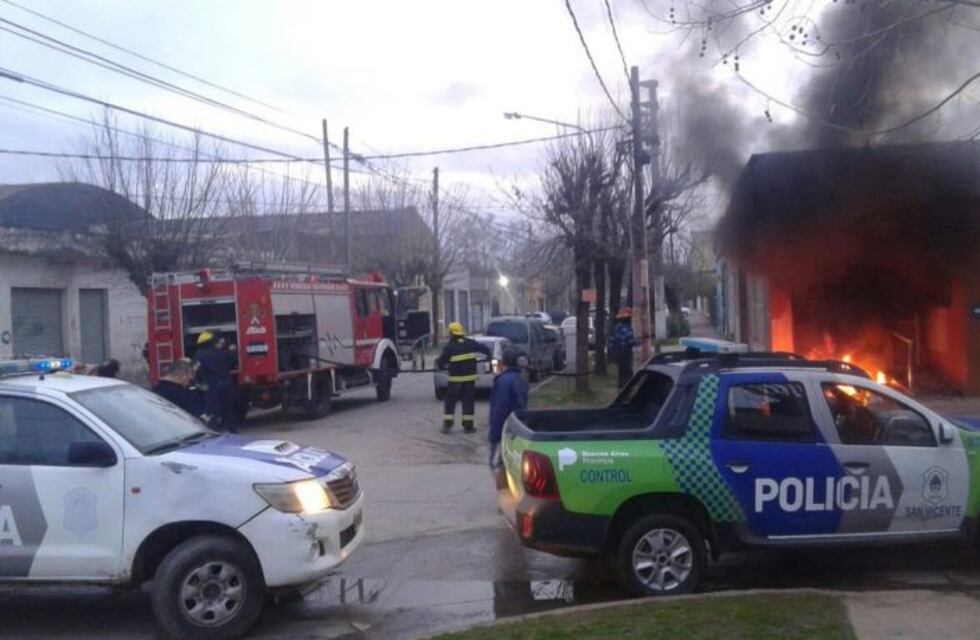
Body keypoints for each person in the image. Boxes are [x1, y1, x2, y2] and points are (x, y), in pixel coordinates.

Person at [436, 322, 491, 433]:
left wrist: (440, 365)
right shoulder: (470, 343)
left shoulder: (449, 347)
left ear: (452, 333)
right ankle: (468, 426)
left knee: (450, 403)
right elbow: (485, 350)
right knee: (468, 402)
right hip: (469, 381)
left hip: (455, 381)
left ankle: (448, 426)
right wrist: (490, 356)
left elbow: (441, 362)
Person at [488, 347, 527, 485]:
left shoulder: (503, 381)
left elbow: (500, 409)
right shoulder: (520, 380)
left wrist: (494, 434)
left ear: (502, 363)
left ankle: (505, 494)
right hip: (518, 429)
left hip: (504, 432)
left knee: (497, 463)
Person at [194, 331, 239, 432]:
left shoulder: (199, 355)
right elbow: (233, 362)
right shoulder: (222, 352)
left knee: (213, 411)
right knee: (229, 410)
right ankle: (232, 431)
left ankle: (216, 431)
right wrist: (232, 351)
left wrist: (200, 383)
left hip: (211, 386)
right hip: (227, 384)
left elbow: (197, 371)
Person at [609, 307, 637, 388]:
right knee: (628, 373)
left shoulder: (616, 328)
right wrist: (638, 341)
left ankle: (620, 388)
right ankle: (627, 389)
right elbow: (630, 342)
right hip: (626, 355)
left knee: (621, 373)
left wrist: (614, 353)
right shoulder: (627, 329)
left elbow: (611, 342)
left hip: (617, 355)